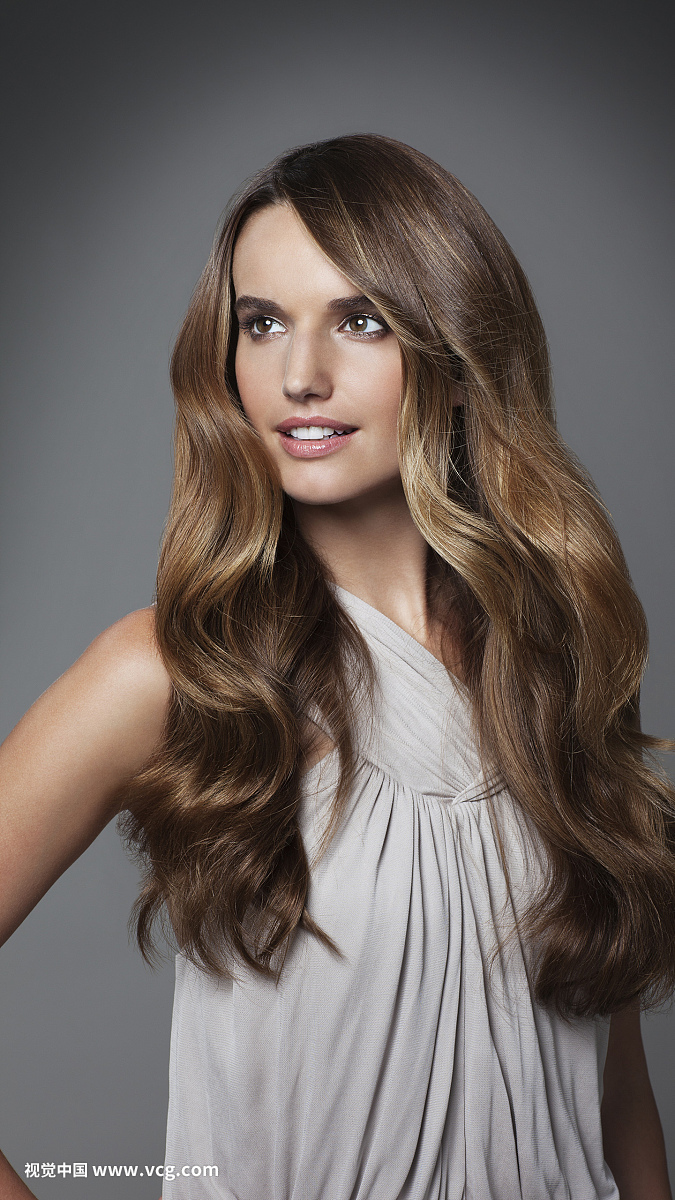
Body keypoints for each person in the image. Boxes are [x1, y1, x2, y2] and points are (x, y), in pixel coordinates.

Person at [1, 134, 673, 1200]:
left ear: (455, 360)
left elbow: (616, 1090)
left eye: (358, 321)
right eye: (261, 324)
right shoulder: (172, 676)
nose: (299, 374)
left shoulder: (558, 667)